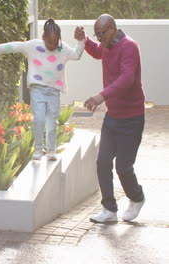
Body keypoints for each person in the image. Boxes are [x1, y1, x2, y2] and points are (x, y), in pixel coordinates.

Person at [75, 14, 146, 223]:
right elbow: (98, 52)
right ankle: (109, 210)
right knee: (102, 162)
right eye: (97, 35)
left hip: (132, 118)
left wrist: (101, 96)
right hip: (112, 117)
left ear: (113, 28)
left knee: (123, 167)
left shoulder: (129, 46)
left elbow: (127, 79)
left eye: (101, 34)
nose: (100, 39)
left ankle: (137, 197)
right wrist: (85, 40)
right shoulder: (106, 45)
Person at [0, 18, 84, 161]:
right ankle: (38, 149)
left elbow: (77, 55)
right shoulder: (34, 46)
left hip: (53, 90)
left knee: (51, 121)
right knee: (39, 119)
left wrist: (81, 40)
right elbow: (15, 46)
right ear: (43, 37)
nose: (53, 46)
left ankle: (51, 150)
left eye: (56, 42)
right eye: (50, 43)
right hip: (37, 88)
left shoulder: (62, 48)